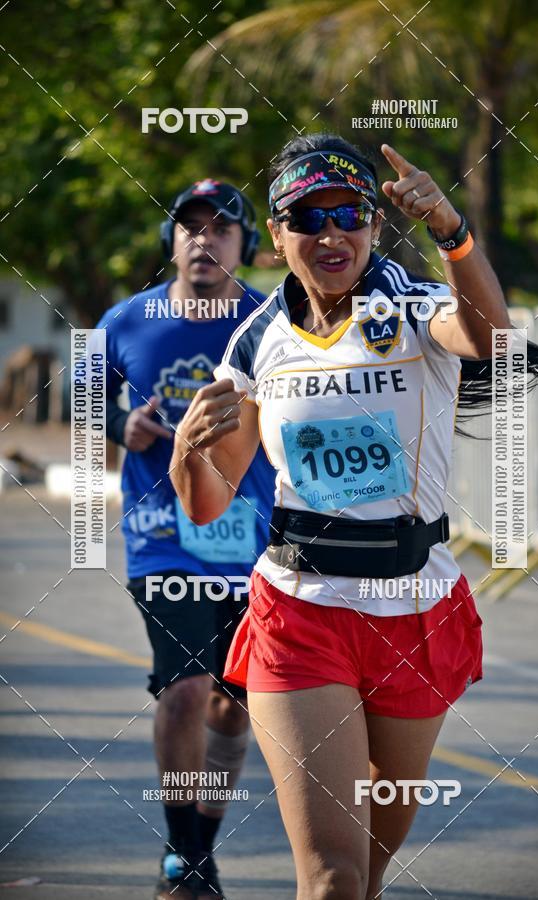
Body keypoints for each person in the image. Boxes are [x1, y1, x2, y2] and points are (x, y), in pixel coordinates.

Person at [170, 135, 538, 900]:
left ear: (374, 226)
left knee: (371, 871)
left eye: (349, 213)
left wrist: (454, 235)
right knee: (332, 878)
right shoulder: (256, 343)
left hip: (415, 609)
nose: (331, 234)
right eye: (307, 218)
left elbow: (496, 343)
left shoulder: (414, 309)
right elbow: (206, 501)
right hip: (300, 612)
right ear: (277, 236)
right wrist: (188, 447)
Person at [97, 179, 274, 900]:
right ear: (172, 241)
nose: (203, 239)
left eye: (221, 228)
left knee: (232, 703)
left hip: (258, 546)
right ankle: (184, 853)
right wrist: (119, 427)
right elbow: (83, 397)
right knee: (186, 685)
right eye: (189, 227)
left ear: (245, 245)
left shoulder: (275, 322)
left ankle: (202, 839)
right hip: (164, 538)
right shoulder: (125, 320)